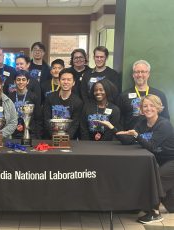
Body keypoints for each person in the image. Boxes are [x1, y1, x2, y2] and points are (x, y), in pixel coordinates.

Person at [98, 94, 174, 224]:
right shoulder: (142, 123)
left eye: (151, 105)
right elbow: (128, 140)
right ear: (141, 109)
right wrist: (112, 127)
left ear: (158, 107)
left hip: (170, 161)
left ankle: (155, 213)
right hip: (155, 161)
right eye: (145, 106)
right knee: (169, 200)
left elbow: (152, 147)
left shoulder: (164, 124)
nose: (148, 108)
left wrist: (137, 136)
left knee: (155, 180)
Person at [119, 60, 170, 130]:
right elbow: (120, 120)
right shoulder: (124, 96)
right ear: (133, 75)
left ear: (148, 74)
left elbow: (165, 118)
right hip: (131, 137)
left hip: (153, 137)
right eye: (137, 72)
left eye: (143, 72)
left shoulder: (159, 95)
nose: (140, 75)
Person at [43, 68, 83, 139]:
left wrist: (65, 138)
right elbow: (46, 119)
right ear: (59, 81)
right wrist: (54, 136)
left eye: (69, 80)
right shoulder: (50, 97)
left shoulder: (78, 102)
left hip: (69, 139)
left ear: (73, 83)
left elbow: (75, 124)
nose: (66, 82)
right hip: (50, 139)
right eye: (63, 79)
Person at [8, 70, 42, 139]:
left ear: (28, 81)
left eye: (23, 80)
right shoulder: (10, 97)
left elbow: (38, 118)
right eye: (18, 80)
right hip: (13, 134)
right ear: (14, 82)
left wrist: (37, 137)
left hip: (30, 134)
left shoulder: (34, 97)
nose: (21, 82)